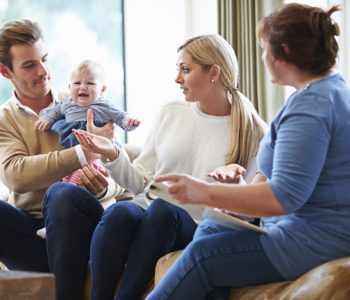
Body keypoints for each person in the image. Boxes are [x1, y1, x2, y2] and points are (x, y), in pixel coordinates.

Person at [143, 4, 350, 300]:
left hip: (314, 240)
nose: (263, 58)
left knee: (202, 256)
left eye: (265, 49)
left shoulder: (311, 109)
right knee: (212, 228)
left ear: (285, 53)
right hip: (302, 229)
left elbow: (284, 197)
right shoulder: (329, 91)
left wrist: (202, 192)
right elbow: (284, 181)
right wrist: (236, 200)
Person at [73, 34, 268, 300]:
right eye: (178, 69)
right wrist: (112, 153)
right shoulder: (170, 112)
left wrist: (236, 184)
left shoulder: (254, 131)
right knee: (120, 213)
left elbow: (255, 206)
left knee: (166, 208)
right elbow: (142, 181)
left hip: (197, 226)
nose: (177, 78)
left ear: (214, 73)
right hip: (153, 213)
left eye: (185, 70)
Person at [0, 19, 123, 300]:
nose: (43, 72)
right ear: (5, 71)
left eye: (44, 59)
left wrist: (105, 188)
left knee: (61, 194)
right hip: (35, 235)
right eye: (30, 65)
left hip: (84, 223)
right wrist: (83, 152)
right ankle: (63, 278)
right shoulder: (4, 119)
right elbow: (14, 175)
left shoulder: (82, 99)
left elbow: (124, 172)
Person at [35, 59, 140, 185]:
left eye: (90, 83)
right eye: (77, 83)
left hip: (99, 149)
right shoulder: (67, 103)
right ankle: (71, 184)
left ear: (102, 89)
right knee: (70, 174)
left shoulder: (104, 104)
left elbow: (120, 116)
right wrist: (48, 119)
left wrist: (129, 121)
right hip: (73, 150)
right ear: (69, 87)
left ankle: (96, 179)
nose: (83, 87)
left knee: (93, 171)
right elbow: (56, 111)